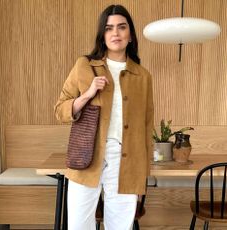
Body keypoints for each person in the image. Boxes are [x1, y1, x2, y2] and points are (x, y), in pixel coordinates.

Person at [54, 4, 154, 230]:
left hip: (127, 162)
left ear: (130, 35)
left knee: (120, 226)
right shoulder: (85, 66)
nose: (115, 33)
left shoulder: (143, 76)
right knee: (79, 226)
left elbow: (146, 128)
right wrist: (88, 94)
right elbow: (60, 110)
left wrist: (141, 179)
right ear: (102, 35)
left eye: (121, 27)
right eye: (109, 28)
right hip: (87, 158)